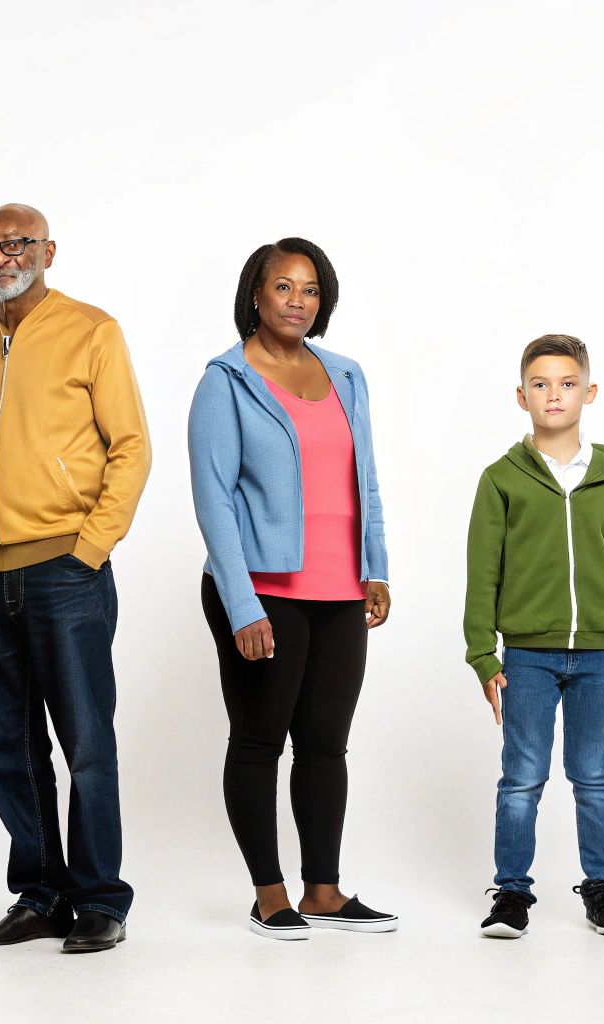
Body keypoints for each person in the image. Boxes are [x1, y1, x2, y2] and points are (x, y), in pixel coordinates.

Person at [0, 204, 152, 954]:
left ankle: (99, 898)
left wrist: (89, 548)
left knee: (86, 741)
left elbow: (130, 448)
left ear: (49, 251)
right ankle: (40, 893)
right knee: (4, 745)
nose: (2, 256)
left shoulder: (93, 330)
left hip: (65, 570)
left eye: (18, 242)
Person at [188, 237, 399, 941]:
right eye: (284, 288)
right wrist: (242, 602)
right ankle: (269, 893)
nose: (298, 302)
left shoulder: (346, 376)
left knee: (326, 746)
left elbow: (363, 478)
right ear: (256, 293)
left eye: (310, 290)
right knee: (258, 741)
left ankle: (325, 891)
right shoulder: (226, 380)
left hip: (340, 590)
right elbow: (213, 499)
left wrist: (376, 566)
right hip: (264, 591)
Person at [465, 334, 604, 939]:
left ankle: (603, 890)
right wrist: (484, 654)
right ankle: (511, 893)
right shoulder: (500, 480)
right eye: (540, 384)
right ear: (521, 396)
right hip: (528, 655)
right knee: (522, 776)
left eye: (567, 383)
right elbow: (481, 573)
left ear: (588, 392)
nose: (554, 394)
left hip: (598, 653)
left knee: (593, 775)